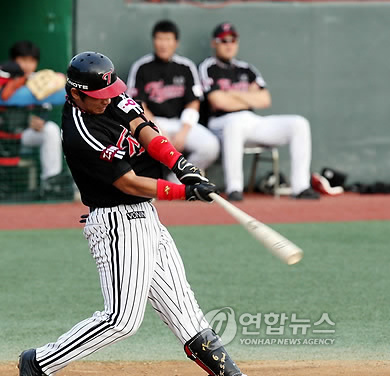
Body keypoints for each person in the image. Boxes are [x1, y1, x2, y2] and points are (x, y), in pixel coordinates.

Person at [17, 52, 246, 376]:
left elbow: (141, 127)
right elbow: (129, 183)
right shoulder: (82, 133)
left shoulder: (106, 92)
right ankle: (39, 363)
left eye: (109, 93)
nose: (107, 101)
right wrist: (184, 192)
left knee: (188, 315)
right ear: (75, 94)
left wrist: (179, 164)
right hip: (116, 223)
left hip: (146, 218)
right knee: (122, 320)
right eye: (97, 98)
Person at [198, 22, 320, 201]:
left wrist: (231, 93)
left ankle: (301, 187)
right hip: (220, 123)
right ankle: (234, 188)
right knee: (235, 124)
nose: (229, 44)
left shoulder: (246, 69)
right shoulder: (207, 67)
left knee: (299, 123)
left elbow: (265, 99)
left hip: (250, 119)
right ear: (214, 43)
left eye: (232, 40)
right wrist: (247, 95)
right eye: (223, 40)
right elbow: (217, 101)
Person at [127, 19, 220, 183]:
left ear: (176, 42)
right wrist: (157, 129)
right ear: (154, 41)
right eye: (159, 39)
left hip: (181, 123)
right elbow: (137, 105)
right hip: (152, 122)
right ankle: (149, 184)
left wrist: (183, 132)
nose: (163, 44)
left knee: (210, 146)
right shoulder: (141, 67)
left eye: (168, 39)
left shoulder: (186, 66)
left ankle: (177, 179)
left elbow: (193, 102)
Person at [7, 41, 66, 197]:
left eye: (31, 61)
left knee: (51, 130)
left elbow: (45, 111)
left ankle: (51, 183)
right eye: (23, 60)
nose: (27, 65)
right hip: (4, 138)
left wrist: (39, 121)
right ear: (13, 61)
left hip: (25, 138)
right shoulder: (4, 79)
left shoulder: (40, 81)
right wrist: (26, 119)